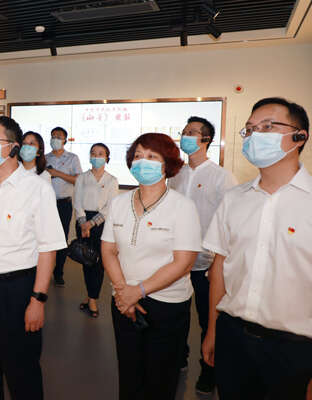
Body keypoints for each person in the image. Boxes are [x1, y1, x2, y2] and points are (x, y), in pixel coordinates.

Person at [202, 97, 312, 400]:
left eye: (267, 126)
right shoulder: (234, 199)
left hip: (294, 347)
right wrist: (213, 330)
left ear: (299, 137)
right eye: (250, 129)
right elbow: (219, 269)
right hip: (233, 336)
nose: (254, 135)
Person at [0, 116, 67, 400]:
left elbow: (48, 249)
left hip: (16, 291)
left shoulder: (36, 188)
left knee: (22, 371)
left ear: (13, 147)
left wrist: (38, 300)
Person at [101, 133, 201, 400]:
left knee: (160, 380)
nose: (142, 161)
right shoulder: (119, 203)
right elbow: (108, 250)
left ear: (167, 164)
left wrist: (138, 291)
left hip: (166, 304)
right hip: (123, 301)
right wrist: (123, 292)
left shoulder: (182, 206)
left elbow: (184, 262)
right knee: (129, 375)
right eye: (137, 156)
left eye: (151, 156)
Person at [168, 116, 237, 392]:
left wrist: (219, 263)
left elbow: (230, 222)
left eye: (192, 132)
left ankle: (209, 370)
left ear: (206, 139)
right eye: (184, 131)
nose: (185, 136)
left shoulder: (221, 177)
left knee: (208, 319)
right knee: (177, 315)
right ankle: (179, 358)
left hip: (206, 264)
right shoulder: (176, 174)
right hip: (176, 261)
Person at [73, 143, 119, 318]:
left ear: (107, 158)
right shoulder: (82, 178)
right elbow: (77, 201)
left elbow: (110, 207)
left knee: (98, 263)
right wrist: (83, 223)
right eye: (93, 153)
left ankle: (93, 299)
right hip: (83, 220)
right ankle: (90, 295)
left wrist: (92, 224)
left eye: (101, 153)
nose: (97, 156)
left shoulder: (112, 180)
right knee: (86, 261)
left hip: (101, 224)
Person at [45, 126, 82, 287]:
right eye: (53, 136)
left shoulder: (72, 158)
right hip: (45, 204)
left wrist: (56, 173)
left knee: (61, 239)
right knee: (44, 237)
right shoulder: (44, 158)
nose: (55, 139)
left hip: (63, 203)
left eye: (58, 137)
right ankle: (44, 270)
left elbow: (78, 180)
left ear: (65, 140)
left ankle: (58, 272)